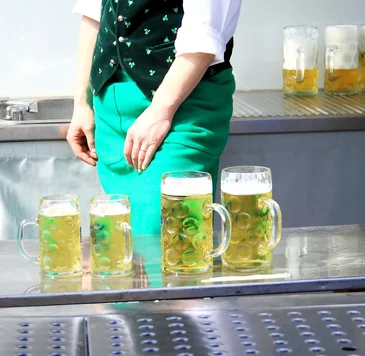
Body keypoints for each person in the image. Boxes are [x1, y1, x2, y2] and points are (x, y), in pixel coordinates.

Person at [67, 0, 242, 235]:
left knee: (166, 238)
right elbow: (93, 10)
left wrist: (161, 110)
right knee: (123, 244)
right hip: (110, 117)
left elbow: (204, 32)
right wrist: (82, 102)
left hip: (180, 109)